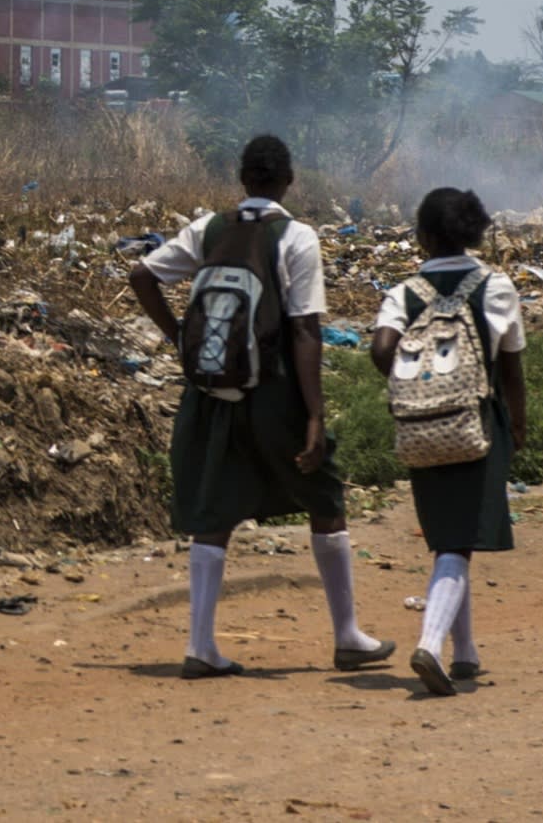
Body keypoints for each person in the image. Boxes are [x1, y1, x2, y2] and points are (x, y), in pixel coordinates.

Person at [128, 135, 393, 679]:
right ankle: (346, 636)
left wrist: (179, 337)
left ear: (243, 179)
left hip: (211, 390)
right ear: (288, 181)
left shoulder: (210, 228)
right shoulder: (296, 236)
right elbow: (304, 329)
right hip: (272, 391)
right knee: (325, 496)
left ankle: (201, 644)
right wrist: (315, 414)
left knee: (214, 511)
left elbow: (142, 274)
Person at [371, 187, 527, 697]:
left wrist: (418, 382)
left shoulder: (405, 292)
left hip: (421, 426)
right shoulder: (496, 286)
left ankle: (466, 652)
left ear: (423, 235)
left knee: (448, 538)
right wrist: (519, 426)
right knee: (459, 541)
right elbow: (511, 369)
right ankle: (431, 646)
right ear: (475, 231)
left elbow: (380, 350)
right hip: (476, 423)